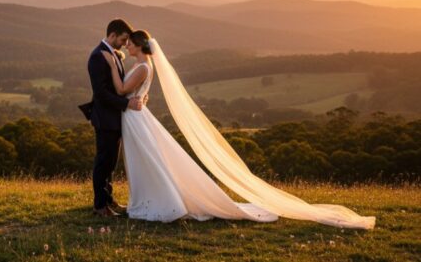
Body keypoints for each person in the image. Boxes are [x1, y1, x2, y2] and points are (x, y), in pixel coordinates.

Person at [99, 29, 375, 229]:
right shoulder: (143, 64)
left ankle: (157, 201)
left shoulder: (142, 67)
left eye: (129, 44)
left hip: (135, 117)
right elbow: (129, 92)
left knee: (147, 160)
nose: (126, 47)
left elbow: (122, 89)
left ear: (136, 45)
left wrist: (112, 64)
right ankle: (147, 199)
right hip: (134, 114)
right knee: (145, 160)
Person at [85, 18, 143, 217]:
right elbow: (101, 93)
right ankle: (100, 206)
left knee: (111, 162)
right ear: (112, 35)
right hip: (105, 118)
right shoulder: (97, 57)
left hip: (115, 118)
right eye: (123, 39)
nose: (125, 44)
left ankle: (109, 200)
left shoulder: (112, 54)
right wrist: (126, 104)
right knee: (103, 162)